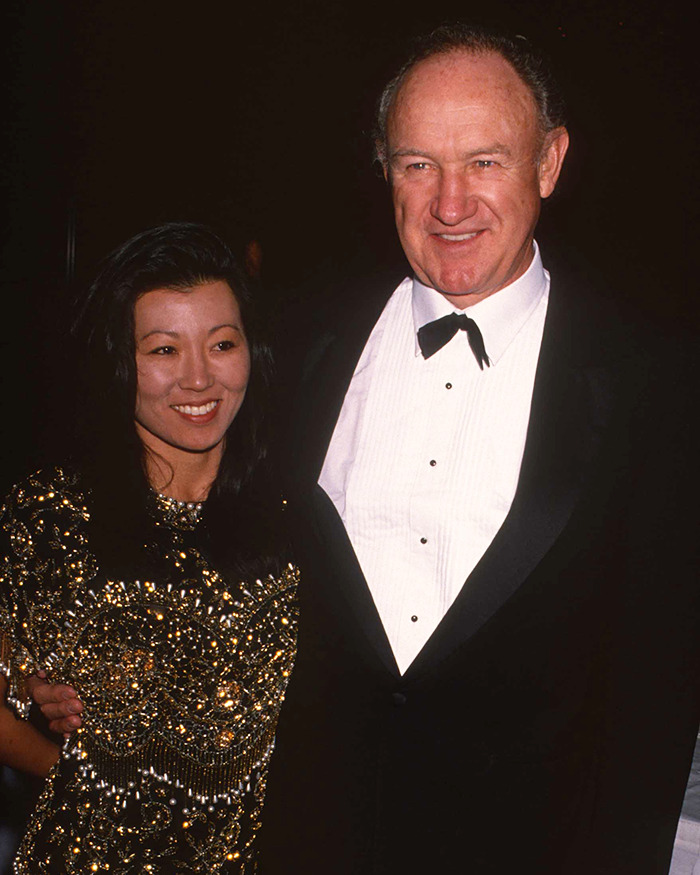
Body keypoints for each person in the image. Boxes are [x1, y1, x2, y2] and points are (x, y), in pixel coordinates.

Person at [35, 24, 700, 875]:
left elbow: (656, 691)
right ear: (383, 167)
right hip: (310, 839)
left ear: (550, 162)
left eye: (485, 161)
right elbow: (178, 486)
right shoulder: (299, 341)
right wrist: (66, 656)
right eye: (418, 164)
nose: (449, 203)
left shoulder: (653, 381)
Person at [0, 222, 298, 873]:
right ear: (118, 359)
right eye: (163, 350)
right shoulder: (53, 513)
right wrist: (79, 779)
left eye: (222, 343)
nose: (197, 378)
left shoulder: (304, 513)